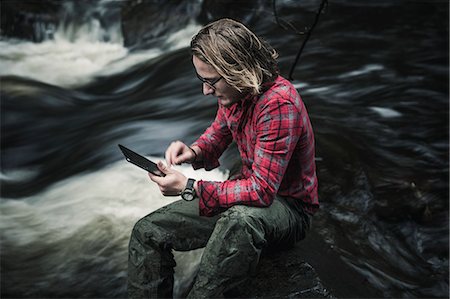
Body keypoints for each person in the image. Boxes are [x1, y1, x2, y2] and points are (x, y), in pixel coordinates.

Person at [127, 18, 319, 298]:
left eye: (210, 81)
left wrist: (189, 187)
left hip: (289, 208)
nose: (205, 90)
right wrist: (192, 152)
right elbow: (218, 134)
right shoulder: (234, 90)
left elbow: (262, 190)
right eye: (201, 80)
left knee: (239, 221)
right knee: (148, 231)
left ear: (239, 69)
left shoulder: (279, 104)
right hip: (249, 194)